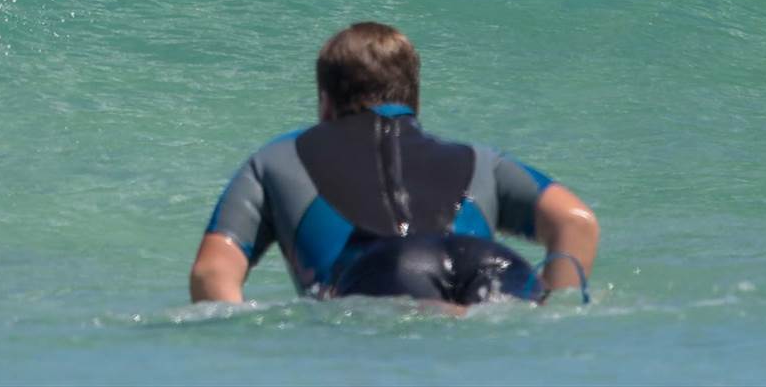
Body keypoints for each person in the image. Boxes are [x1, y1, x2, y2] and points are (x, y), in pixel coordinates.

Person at [188, 22, 599, 307]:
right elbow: (576, 222)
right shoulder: (480, 159)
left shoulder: (274, 159)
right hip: (495, 263)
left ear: (325, 104)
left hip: (385, 273)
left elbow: (212, 273)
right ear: (414, 102)